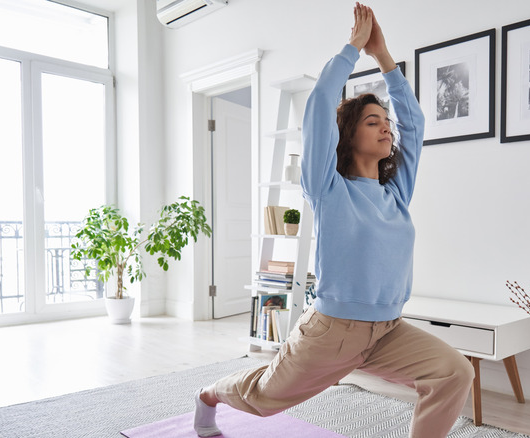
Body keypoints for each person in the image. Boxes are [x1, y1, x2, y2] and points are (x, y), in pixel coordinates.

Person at [193, 4, 474, 437]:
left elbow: (414, 124)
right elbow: (322, 101)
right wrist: (353, 50)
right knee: (262, 398)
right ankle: (209, 394)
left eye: (386, 123)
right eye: (372, 121)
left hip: (388, 331)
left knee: (454, 371)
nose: (386, 129)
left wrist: (385, 58)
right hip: (330, 334)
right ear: (348, 135)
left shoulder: (395, 193)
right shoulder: (327, 187)